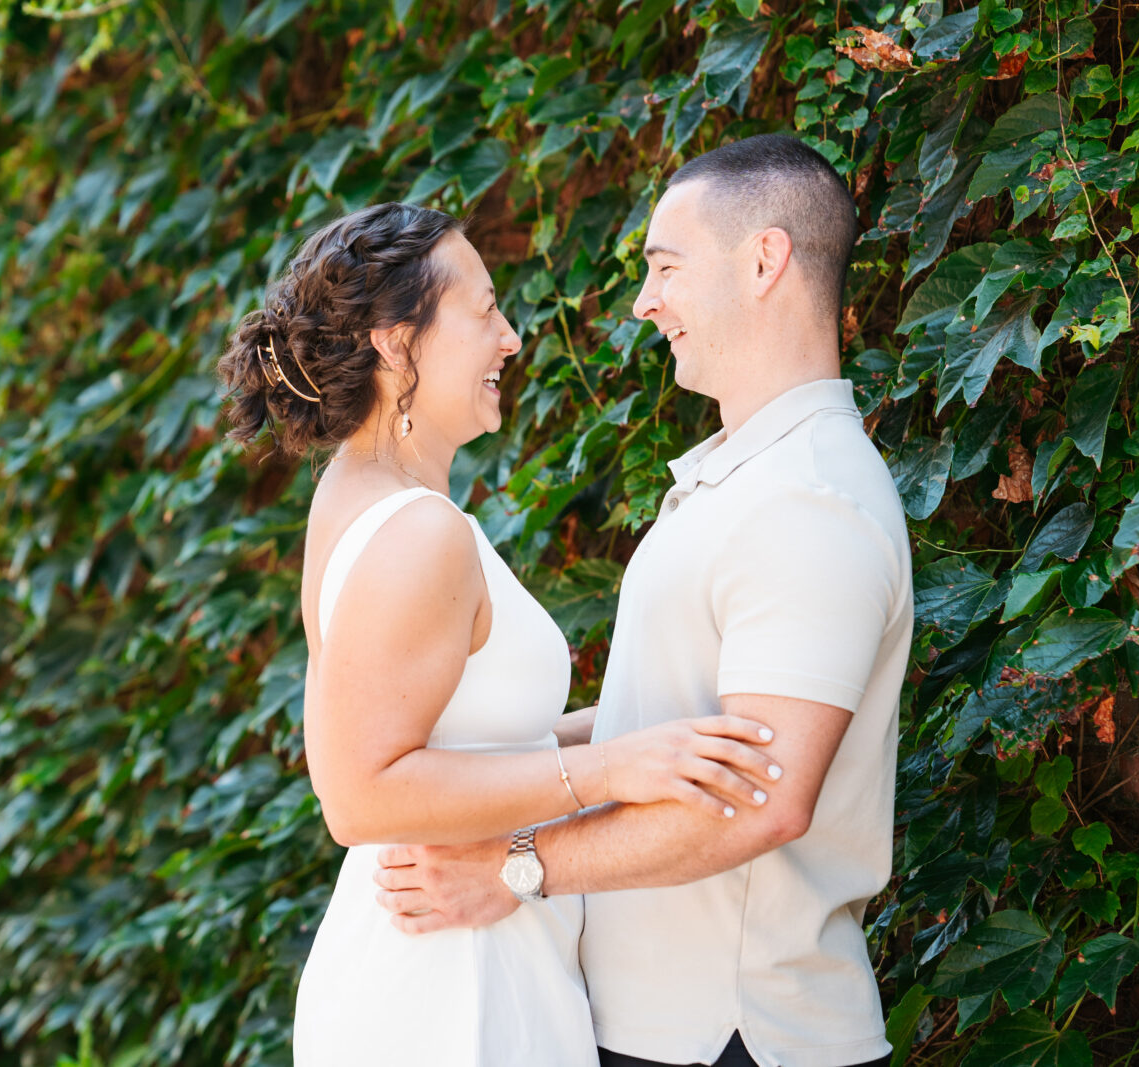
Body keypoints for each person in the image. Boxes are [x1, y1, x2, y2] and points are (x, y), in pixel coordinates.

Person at [372, 134, 912, 1067]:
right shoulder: (743, 480)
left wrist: (514, 866)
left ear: (764, 260)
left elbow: (761, 805)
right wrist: (492, 759)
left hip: (740, 1037)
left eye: (666, 267)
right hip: (667, 1034)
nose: (644, 301)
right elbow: (666, 726)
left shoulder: (810, 502)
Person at [215, 201, 784, 1067]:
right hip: (448, 984)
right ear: (396, 342)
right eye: (484, 311)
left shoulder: (356, 491)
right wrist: (610, 767)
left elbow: (465, 741)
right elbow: (358, 794)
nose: (512, 338)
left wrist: (636, 727)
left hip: (462, 954)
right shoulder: (418, 532)